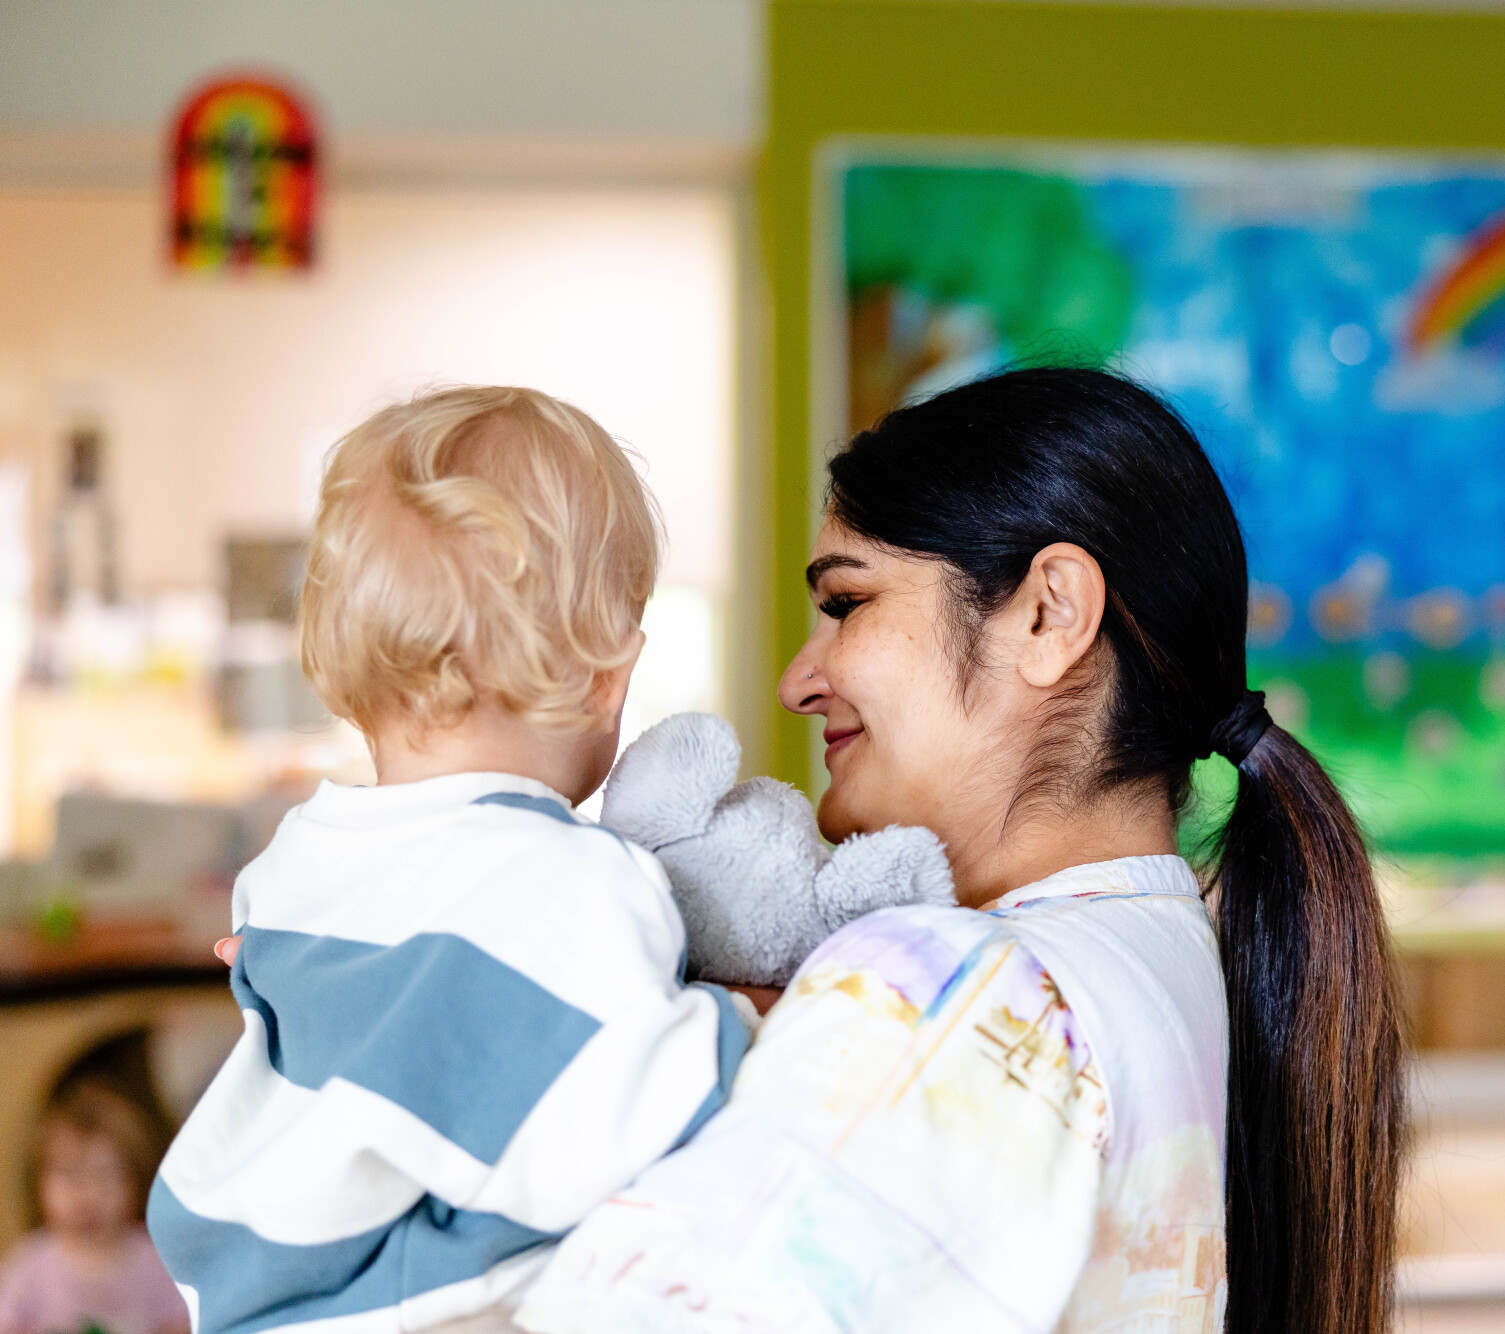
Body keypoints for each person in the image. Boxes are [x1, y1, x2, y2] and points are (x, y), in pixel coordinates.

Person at [515, 367, 1406, 1334]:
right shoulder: (1170, 969)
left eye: (847, 602)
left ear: (1048, 613)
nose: (797, 682)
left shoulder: (961, 991)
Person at [149, 387, 749, 1334]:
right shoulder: (566, 878)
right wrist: (746, 1016)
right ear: (608, 679)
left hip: (245, 1296)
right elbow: (619, 1121)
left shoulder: (294, 859)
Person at [0, 1081, 187, 1334]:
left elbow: (181, 1324)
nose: (86, 1193)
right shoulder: (29, 1265)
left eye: (104, 1175)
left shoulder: (155, 1261)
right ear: (39, 1185)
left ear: (135, 1183)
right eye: (68, 1175)